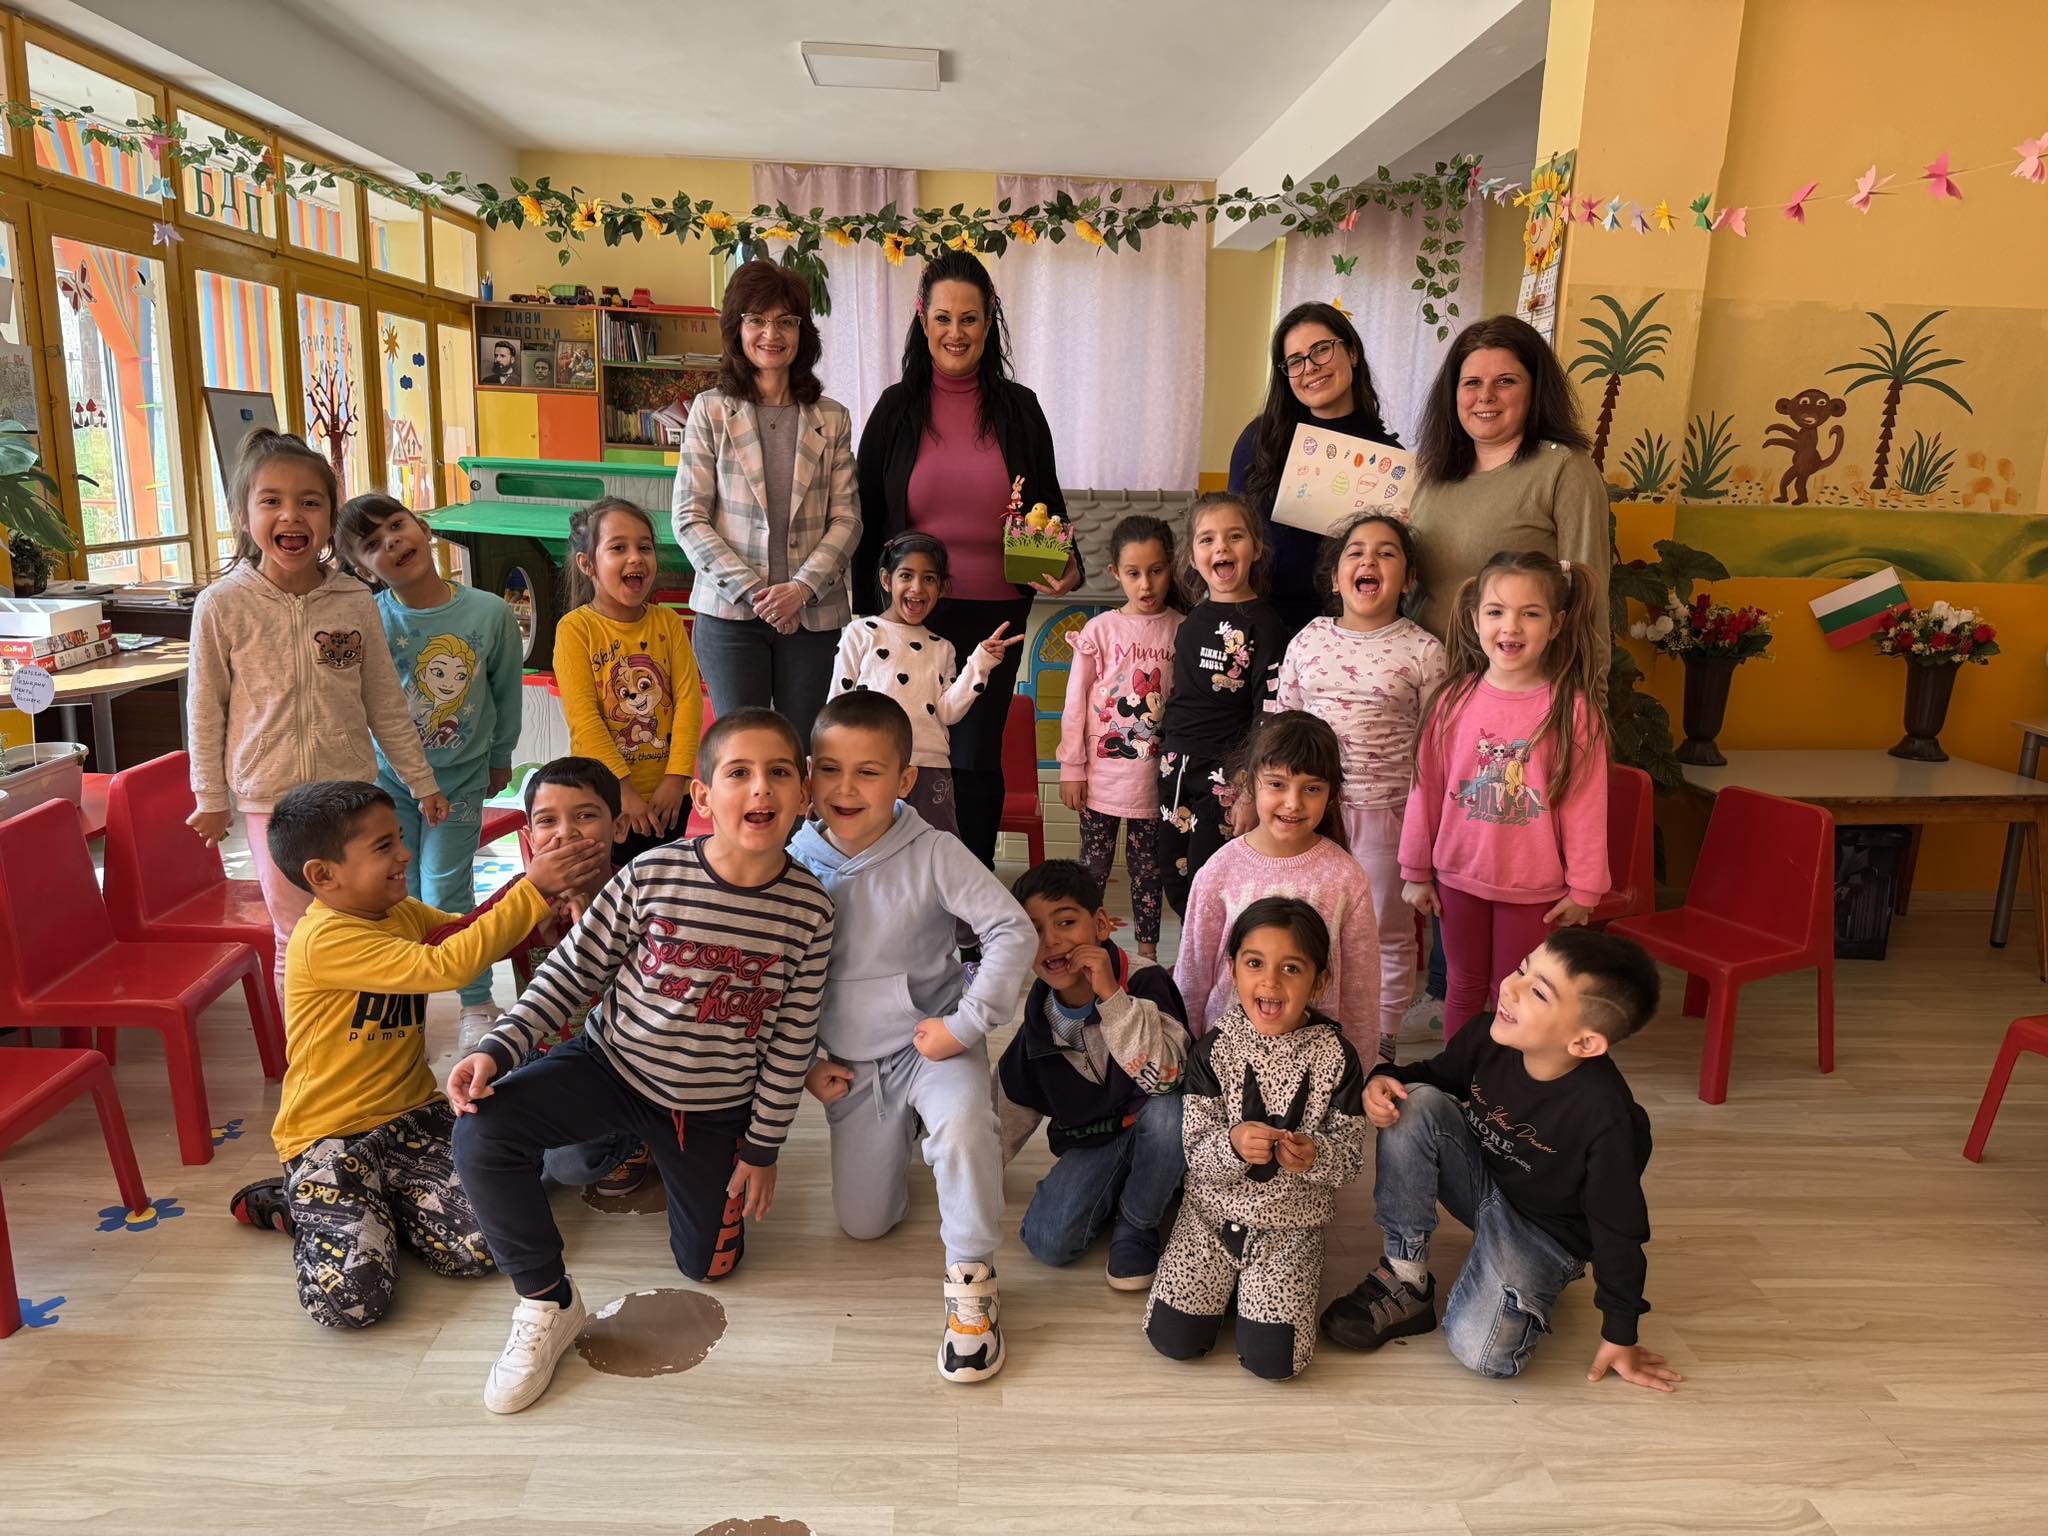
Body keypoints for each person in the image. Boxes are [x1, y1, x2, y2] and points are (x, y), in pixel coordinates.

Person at [447, 709, 834, 1415]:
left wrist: (762, 1147)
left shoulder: (810, 909)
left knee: (710, 1267)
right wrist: (498, 1046)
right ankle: (546, 1301)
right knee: (481, 1130)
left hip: (710, 1108)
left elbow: (791, 1039)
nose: (760, 788)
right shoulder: (653, 873)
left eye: (779, 772)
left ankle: (656, 1154)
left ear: (802, 794)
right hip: (612, 1067)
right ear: (702, 795)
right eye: (739, 773)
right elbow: (572, 973)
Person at [228, 780, 608, 1328]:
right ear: (323, 875)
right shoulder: (324, 939)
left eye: (400, 839)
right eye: (385, 846)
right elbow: (447, 965)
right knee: (351, 1304)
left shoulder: (398, 911)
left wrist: (536, 919)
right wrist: (531, 887)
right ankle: (303, 1206)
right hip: (329, 1137)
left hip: (412, 1118)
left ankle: (370, 1215)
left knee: (488, 1245)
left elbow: (462, 933)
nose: (405, 853)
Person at [790, 690, 1035, 1383]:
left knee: (962, 1129)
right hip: (851, 1062)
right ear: (809, 775)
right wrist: (806, 1061)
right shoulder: (792, 858)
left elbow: (1012, 929)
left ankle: (973, 1282)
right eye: (830, 769)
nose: (845, 788)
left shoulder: (935, 851)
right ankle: (905, 1136)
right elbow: (777, 974)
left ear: (903, 781)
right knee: (864, 1224)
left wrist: (966, 1024)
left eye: (868, 772)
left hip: (934, 1044)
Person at [1321, 929, 1683, 1393]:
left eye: (1538, 992)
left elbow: (1620, 1230)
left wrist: (1620, 1333)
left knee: (1483, 1354)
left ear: (1584, 1043)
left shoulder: (1608, 1119)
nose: (1510, 988)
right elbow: (1430, 1077)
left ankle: (1519, 1278)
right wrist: (1383, 1078)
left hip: (1545, 1234)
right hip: (1485, 1185)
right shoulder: (1487, 1037)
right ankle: (1406, 1278)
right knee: (1413, 1101)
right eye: (1521, 969)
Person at [186, 430, 447, 1005]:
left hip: (349, 796)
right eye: (271, 501)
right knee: (297, 937)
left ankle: (371, 1042)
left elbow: (384, 701)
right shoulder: (222, 605)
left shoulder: (354, 599)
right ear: (243, 515)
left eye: (310, 501)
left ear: (330, 517)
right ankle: (306, 1052)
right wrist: (210, 795)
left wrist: (420, 780)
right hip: (270, 800)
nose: (291, 515)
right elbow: (205, 709)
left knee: (367, 926)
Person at [855, 249, 1081, 868]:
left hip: (996, 617)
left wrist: (1068, 567)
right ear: (922, 319)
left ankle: (968, 895)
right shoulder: (895, 409)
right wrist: (867, 621)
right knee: (907, 755)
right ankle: (900, 884)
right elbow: (868, 522)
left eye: (970, 319)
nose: (956, 333)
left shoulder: (1020, 409)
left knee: (977, 761)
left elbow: (1049, 507)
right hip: (911, 616)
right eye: (943, 318)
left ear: (990, 320)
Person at [1143, 898, 1368, 1381]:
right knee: (1172, 1339)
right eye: (1254, 963)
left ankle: (1254, 1290)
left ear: (1319, 981)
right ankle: (1229, 1287)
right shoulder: (1214, 1049)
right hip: (1210, 1217)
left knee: (1275, 1363)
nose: (1270, 982)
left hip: (1291, 1228)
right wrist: (1232, 1144)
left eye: (1291, 968)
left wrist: (1315, 1155)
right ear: (1232, 970)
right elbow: (1194, 1149)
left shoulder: (1338, 1057)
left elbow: (1350, 1159)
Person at [337, 493, 526, 1038]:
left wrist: (500, 758)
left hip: (461, 776)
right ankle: (405, 1001)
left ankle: (476, 1003)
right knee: (394, 890)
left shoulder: (489, 613)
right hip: (389, 781)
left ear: (422, 526)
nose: (393, 541)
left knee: (445, 891)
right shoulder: (371, 619)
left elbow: (505, 692)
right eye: (373, 543)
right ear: (362, 569)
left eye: (397, 525)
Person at [1402, 549, 1610, 1038]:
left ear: (1556, 624)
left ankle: (1501, 1083)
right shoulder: (1451, 701)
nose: (1510, 627)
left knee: (1512, 994)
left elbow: (1585, 804)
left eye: (1530, 614)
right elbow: (1425, 790)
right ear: (1475, 619)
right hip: (1457, 879)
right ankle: (1459, 1076)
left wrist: (1585, 888)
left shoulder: (1573, 710)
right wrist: (1415, 870)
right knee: (1462, 986)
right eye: (1496, 611)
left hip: (1534, 888)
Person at [1271, 512, 1446, 1061]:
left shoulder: (1424, 650)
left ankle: (1381, 1040)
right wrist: (1264, 800)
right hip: (1309, 815)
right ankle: (1306, 1029)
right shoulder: (1309, 638)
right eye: (1356, 552)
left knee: (1386, 932)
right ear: (1334, 576)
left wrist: (1428, 831)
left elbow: (1437, 749)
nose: (1369, 560)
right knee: (1304, 924)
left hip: (1387, 817)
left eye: (1386, 553)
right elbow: (1282, 727)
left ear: (1408, 579)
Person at [672, 259, 862, 743]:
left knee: (803, 749)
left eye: (785, 321)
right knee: (742, 749)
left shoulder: (832, 418)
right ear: (736, 329)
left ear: (803, 331)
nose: (771, 334)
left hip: (812, 616)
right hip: (730, 615)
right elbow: (689, 518)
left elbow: (847, 519)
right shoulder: (710, 411)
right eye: (756, 319)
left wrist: (800, 589)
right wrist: (759, 594)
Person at [998, 859, 1189, 1291]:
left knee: (1168, 1113)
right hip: (1095, 1141)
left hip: (1157, 1125)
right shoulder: (1038, 1021)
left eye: (1066, 922)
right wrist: (970, 1181)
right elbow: (1006, 1109)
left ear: (1101, 924)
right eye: (1034, 931)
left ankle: (1137, 1224)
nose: (1051, 941)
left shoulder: (1147, 982)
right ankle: (1132, 1187)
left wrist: (1111, 997)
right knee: (1047, 1242)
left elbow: (1165, 1079)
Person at [473, 756, 653, 1201]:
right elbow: (469, 952)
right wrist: (529, 918)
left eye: (585, 816)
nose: (565, 833)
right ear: (529, 837)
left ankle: (637, 1135)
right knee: (477, 1118)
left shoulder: (641, 897)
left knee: (573, 1164)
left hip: (620, 1066)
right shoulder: (521, 898)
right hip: (537, 1056)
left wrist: (592, 925)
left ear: (619, 828)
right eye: (547, 821)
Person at [1173, 711, 1379, 1056]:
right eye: (1277, 784)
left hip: (1315, 1067)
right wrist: (1188, 1062)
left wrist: (1360, 1070)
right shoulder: (1219, 871)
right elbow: (1192, 977)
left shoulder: (1347, 879)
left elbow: (1361, 992)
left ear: (1331, 794)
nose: (1293, 803)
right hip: (1224, 1061)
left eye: (1312, 788)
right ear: (1250, 783)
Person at [1408, 314, 1609, 640]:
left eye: (1505, 381)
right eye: (1472, 383)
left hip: (1511, 671)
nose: (1485, 395)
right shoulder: (1433, 471)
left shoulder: (1564, 469)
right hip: (1419, 665)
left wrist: (1590, 674)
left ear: (1535, 390)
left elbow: (1589, 601)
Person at [828, 532, 1025, 841]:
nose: (917, 588)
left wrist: (980, 664)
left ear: (942, 587)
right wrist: (829, 768)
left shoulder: (942, 648)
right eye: (906, 575)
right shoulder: (860, 633)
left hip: (930, 768)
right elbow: (836, 706)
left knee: (932, 851)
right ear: (886, 579)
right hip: (868, 767)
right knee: (867, 847)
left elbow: (947, 713)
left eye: (929, 579)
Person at [1229, 301, 1400, 638]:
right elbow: (1229, 531)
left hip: (1352, 632)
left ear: (1352, 352)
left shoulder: (1387, 460)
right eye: (1295, 361)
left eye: (1322, 349)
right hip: (1261, 624)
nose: (1310, 367)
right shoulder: (1259, 440)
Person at [552, 496, 703, 867]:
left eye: (644, 547)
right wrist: (622, 789)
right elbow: (585, 719)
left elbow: (688, 701)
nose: (635, 557)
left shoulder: (668, 622)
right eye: (618, 548)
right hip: (604, 797)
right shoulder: (576, 629)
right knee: (610, 885)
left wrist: (676, 778)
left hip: (670, 797)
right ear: (587, 564)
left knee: (663, 882)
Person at [1156, 493, 1286, 917]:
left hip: (1229, 772)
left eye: (1235, 537)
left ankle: (1219, 954)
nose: (1221, 548)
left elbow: (1268, 713)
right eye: (1207, 539)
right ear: (1193, 557)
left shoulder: (1265, 624)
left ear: (1257, 548)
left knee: (1212, 876)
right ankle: (1192, 953)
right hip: (1176, 765)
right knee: (1174, 874)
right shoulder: (1191, 620)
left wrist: (1249, 787)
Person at [1057, 514, 1180, 958]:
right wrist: (1071, 767)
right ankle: (1085, 947)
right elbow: (1074, 703)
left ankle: (1147, 957)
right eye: (1133, 573)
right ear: (1115, 573)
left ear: (1171, 567)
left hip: (1155, 781)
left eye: (1156, 570)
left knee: (1149, 871)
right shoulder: (1100, 631)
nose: (1146, 585)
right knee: (1092, 869)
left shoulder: (1183, 628)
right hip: (1101, 781)